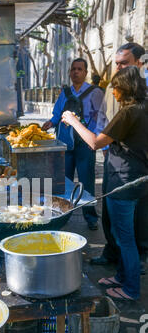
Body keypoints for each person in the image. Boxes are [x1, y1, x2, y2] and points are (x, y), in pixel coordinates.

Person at [62, 66, 148, 301]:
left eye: (116, 89)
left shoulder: (129, 112)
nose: (114, 94)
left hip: (124, 180)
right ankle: (121, 276)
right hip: (135, 177)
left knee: (125, 237)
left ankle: (130, 289)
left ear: (124, 89)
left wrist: (73, 121)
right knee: (121, 234)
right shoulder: (143, 108)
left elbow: (95, 143)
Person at [91, 43, 147, 272]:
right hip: (113, 156)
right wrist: (105, 146)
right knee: (111, 207)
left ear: (138, 64)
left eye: (123, 63)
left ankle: (137, 259)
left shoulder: (139, 96)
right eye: (116, 63)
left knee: (138, 214)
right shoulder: (112, 88)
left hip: (136, 162)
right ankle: (113, 252)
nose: (118, 67)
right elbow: (103, 118)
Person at [43, 58, 105, 230]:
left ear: (85, 72)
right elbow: (57, 113)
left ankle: (91, 217)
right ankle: (64, 215)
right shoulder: (65, 92)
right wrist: (51, 122)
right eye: (73, 69)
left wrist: (103, 145)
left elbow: (101, 119)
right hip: (66, 144)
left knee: (87, 182)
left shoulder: (95, 92)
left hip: (85, 145)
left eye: (79, 69)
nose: (75, 72)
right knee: (64, 181)